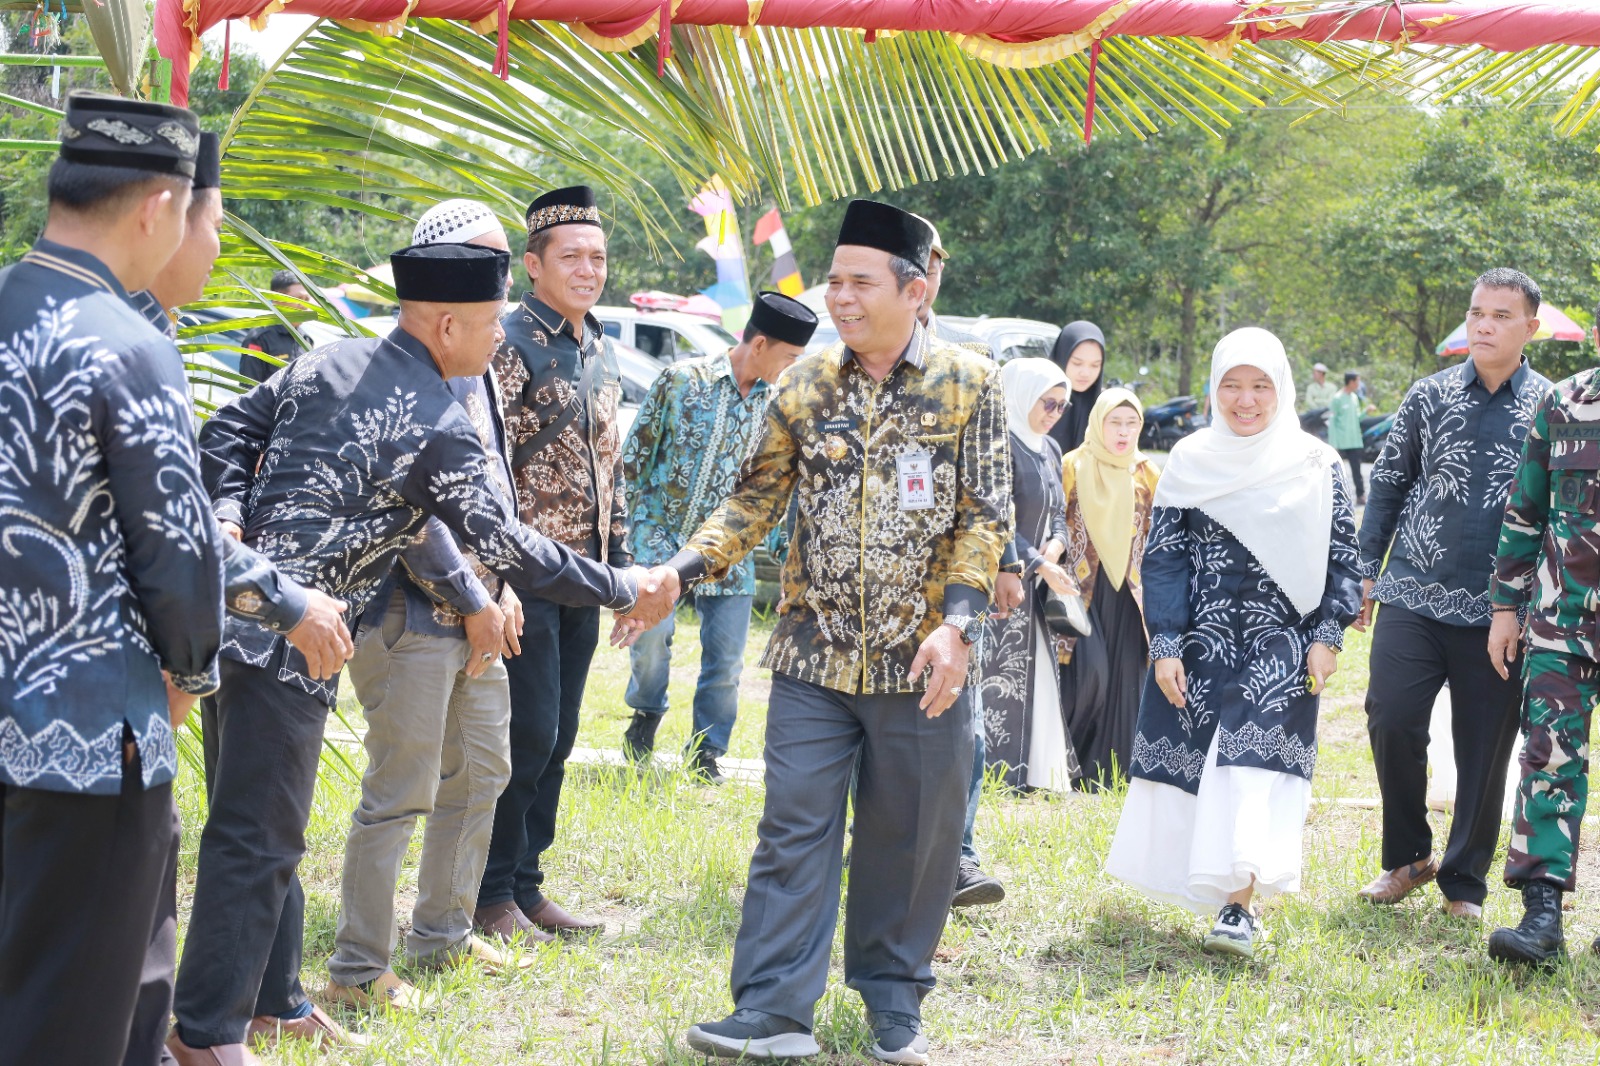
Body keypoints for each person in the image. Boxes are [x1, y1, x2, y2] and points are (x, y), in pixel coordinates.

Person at [170, 242, 674, 1064]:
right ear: (445, 323)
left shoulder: (326, 359)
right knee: (255, 839)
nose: (494, 343)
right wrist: (623, 585)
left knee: (264, 831)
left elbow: (226, 426)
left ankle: (271, 1000)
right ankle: (205, 1033)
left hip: (230, 612)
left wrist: (227, 518)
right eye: (485, 328)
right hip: (294, 641)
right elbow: (511, 547)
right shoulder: (440, 421)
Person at [663, 199, 1010, 1063]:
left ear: (915, 290)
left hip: (921, 662)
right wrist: (679, 571)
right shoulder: (806, 382)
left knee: (914, 832)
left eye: (860, 283)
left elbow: (983, 514)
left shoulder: (972, 382)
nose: (840, 298)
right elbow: (753, 501)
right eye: (835, 282)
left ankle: (894, 999)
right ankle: (775, 1008)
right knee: (793, 827)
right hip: (811, 654)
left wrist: (959, 625)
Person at [0, 91, 224, 1066]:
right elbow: (179, 550)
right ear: (157, 208)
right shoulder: (126, 342)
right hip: (91, 734)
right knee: (78, 1006)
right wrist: (190, 673)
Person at [325, 199, 535, 1016]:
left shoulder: (478, 362)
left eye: (502, 262)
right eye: (483, 262)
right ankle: (356, 969)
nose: (500, 279)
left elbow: (491, 495)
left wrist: (504, 586)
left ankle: (442, 933)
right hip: (408, 612)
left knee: (482, 771)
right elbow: (409, 512)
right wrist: (475, 594)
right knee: (401, 790)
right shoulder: (395, 370)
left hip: (481, 610)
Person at [1105, 327, 1360, 960]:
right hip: (1201, 640)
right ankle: (1210, 888)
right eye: (1232, 386)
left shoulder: (1317, 463)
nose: (1246, 400)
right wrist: (1165, 642)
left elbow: (1345, 560)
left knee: (1253, 766)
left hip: (1284, 642)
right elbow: (1163, 559)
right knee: (1205, 765)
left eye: (1261, 386)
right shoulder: (1189, 460)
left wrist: (1328, 637)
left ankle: (1240, 905)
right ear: (1214, 389)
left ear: (1283, 388)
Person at [1354, 268, 1551, 923]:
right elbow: (1386, 485)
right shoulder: (1428, 396)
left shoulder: (1552, 408)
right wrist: (1363, 569)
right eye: (1476, 314)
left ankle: (1464, 882)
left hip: (1503, 610)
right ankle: (1409, 856)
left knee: (1484, 747)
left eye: (1500, 315)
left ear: (1531, 327)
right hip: (1412, 589)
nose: (1485, 325)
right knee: (1390, 716)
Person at [478, 185, 632, 943]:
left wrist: (624, 571)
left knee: (562, 736)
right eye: (571, 256)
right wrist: (495, 578)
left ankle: (527, 885)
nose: (588, 269)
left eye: (598, 257)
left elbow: (613, 466)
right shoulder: (507, 344)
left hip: (585, 577)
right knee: (525, 736)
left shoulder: (598, 343)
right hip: (523, 577)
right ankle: (488, 893)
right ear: (533, 265)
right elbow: (485, 465)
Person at [619, 290, 818, 781]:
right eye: (790, 357)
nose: (793, 368)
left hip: (729, 555)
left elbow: (775, 496)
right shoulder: (682, 380)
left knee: (727, 661)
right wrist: (623, 540)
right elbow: (632, 460)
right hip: (657, 538)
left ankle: (707, 752)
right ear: (760, 343)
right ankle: (645, 715)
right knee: (651, 641)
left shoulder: (780, 408)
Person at [1481, 308, 1600, 965]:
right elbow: (1525, 509)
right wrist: (1505, 606)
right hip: (1564, 623)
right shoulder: (1566, 402)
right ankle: (1542, 917)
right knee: (1548, 760)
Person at [977, 358, 1079, 795]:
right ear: (1020, 395)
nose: (1054, 413)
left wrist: (1056, 546)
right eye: (1048, 402)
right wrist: (1038, 562)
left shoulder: (1049, 448)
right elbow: (998, 517)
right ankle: (996, 773)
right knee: (999, 680)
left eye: (1063, 406)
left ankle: (1032, 773)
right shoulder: (999, 444)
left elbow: (1059, 511)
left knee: (1036, 677)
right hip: (1001, 579)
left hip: (1039, 583)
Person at [1058, 387, 1162, 789]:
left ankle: (1111, 773)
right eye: (1114, 422)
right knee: (1089, 675)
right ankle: (1067, 762)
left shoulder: (1148, 472)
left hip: (1130, 592)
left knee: (1126, 681)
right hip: (1081, 588)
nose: (1122, 431)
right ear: (1098, 423)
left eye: (1131, 422)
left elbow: (1163, 532)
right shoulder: (1072, 464)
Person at [238, 269, 310, 383]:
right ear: (277, 299)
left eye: (307, 299)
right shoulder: (259, 339)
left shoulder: (306, 340)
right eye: (299, 299)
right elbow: (249, 391)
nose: (304, 306)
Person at [1048, 320, 1105, 453]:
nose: (1085, 373)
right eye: (1077, 363)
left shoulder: (1105, 407)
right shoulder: (1037, 402)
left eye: (1095, 365)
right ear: (1062, 357)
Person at [1328, 370, 1366, 504]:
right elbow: (1332, 422)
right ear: (1350, 382)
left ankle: (1361, 496)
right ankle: (1335, 499)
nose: (1359, 384)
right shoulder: (1337, 398)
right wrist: (1333, 444)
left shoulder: (1354, 397)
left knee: (1357, 471)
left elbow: (1357, 417)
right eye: (1357, 381)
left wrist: (1366, 411)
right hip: (1340, 441)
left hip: (1354, 440)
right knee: (1336, 472)